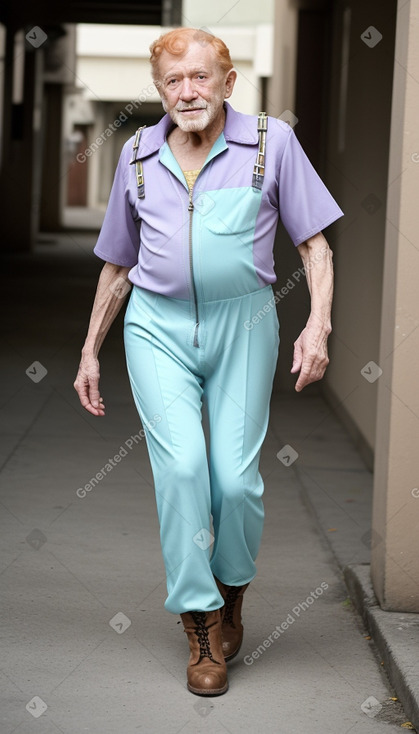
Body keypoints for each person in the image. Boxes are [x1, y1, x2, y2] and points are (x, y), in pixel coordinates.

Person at [74, 27, 343, 697]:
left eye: (199, 76)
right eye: (172, 80)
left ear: (226, 81)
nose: (187, 91)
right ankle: (199, 626)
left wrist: (316, 323)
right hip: (155, 326)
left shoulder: (270, 145)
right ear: (159, 89)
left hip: (244, 322)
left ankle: (232, 595)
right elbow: (116, 261)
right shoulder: (136, 153)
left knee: (235, 481)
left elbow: (314, 245)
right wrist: (88, 351)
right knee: (184, 470)